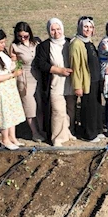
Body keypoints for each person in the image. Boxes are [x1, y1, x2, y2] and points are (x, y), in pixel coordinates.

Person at [33, 18, 76, 147]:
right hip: (55, 83)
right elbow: (41, 64)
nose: (56, 32)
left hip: (70, 82)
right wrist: (59, 70)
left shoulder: (70, 42)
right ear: (48, 31)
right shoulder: (44, 46)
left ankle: (68, 132)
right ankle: (57, 138)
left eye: (58, 29)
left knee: (70, 109)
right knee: (58, 111)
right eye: (53, 29)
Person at [8, 21, 45, 142]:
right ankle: (35, 132)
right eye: (20, 36)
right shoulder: (15, 46)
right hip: (25, 78)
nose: (23, 38)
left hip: (38, 76)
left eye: (25, 36)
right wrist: (17, 70)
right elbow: (15, 62)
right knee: (30, 106)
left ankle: (42, 129)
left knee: (40, 105)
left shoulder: (37, 42)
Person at [69, 16, 104, 142]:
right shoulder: (76, 43)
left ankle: (97, 130)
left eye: (90, 27)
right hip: (86, 81)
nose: (88, 29)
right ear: (80, 27)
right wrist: (78, 86)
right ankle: (89, 134)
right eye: (85, 27)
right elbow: (76, 66)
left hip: (95, 80)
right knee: (88, 109)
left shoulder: (89, 42)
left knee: (96, 107)